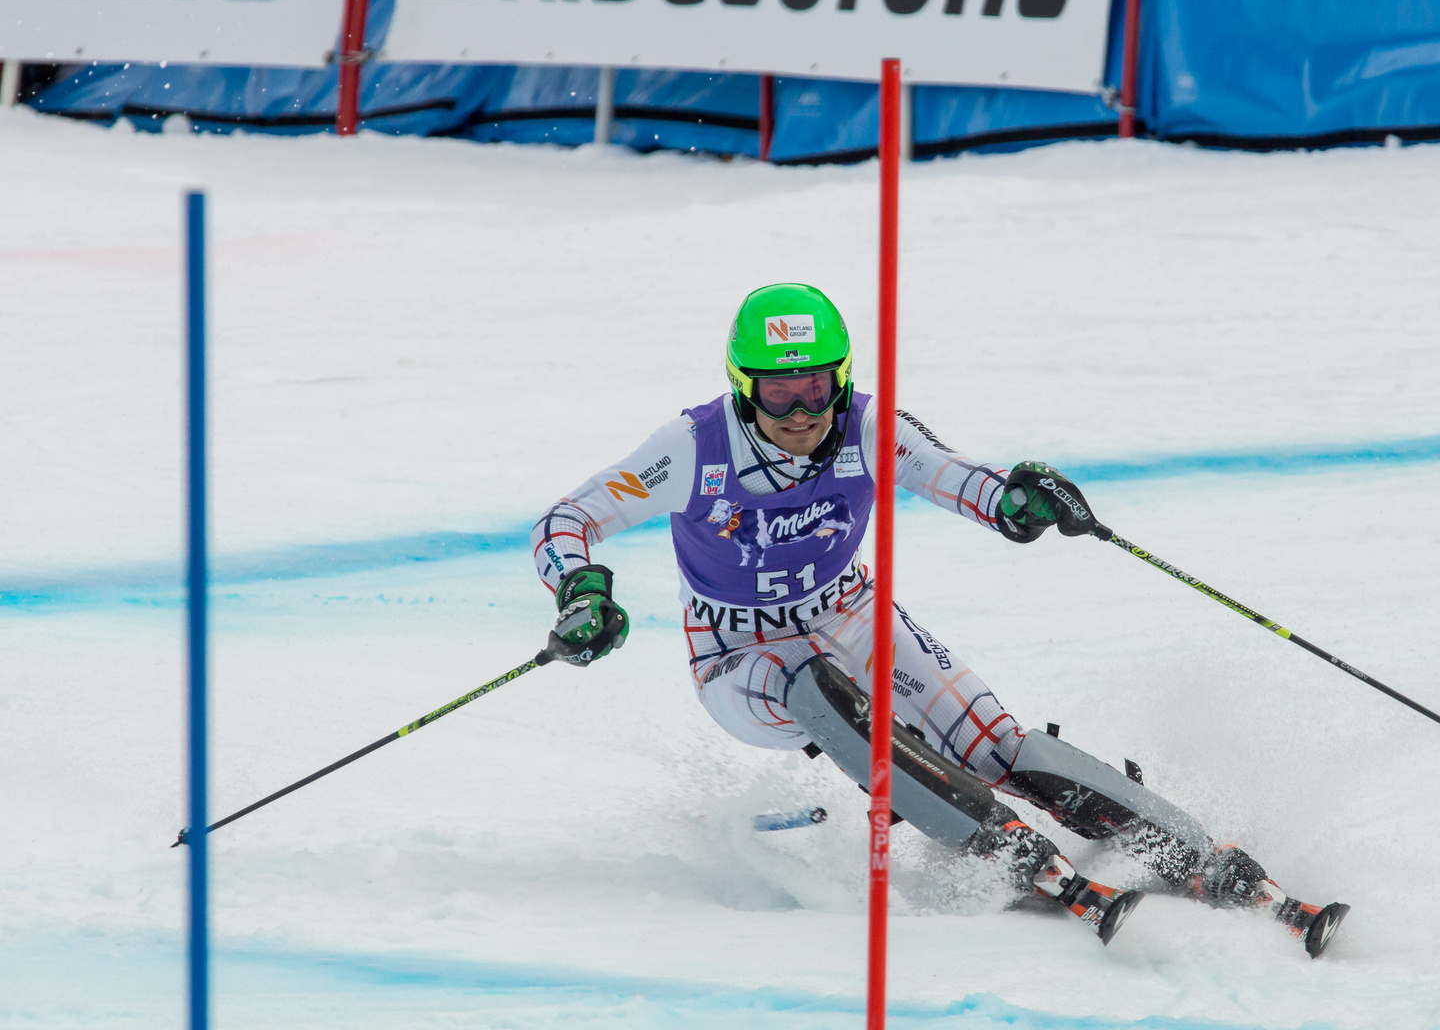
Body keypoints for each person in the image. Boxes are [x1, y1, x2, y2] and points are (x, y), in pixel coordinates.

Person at [530, 283, 1347, 956]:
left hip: (847, 610)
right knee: (813, 683)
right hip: (736, 653)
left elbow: (959, 478)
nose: (801, 407)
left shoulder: (868, 424)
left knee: (995, 744)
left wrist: (1019, 501)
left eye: (817, 384)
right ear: (743, 383)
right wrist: (582, 592)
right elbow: (566, 520)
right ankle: (999, 844)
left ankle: (1196, 853)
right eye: (779, 389)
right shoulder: (692, 446)